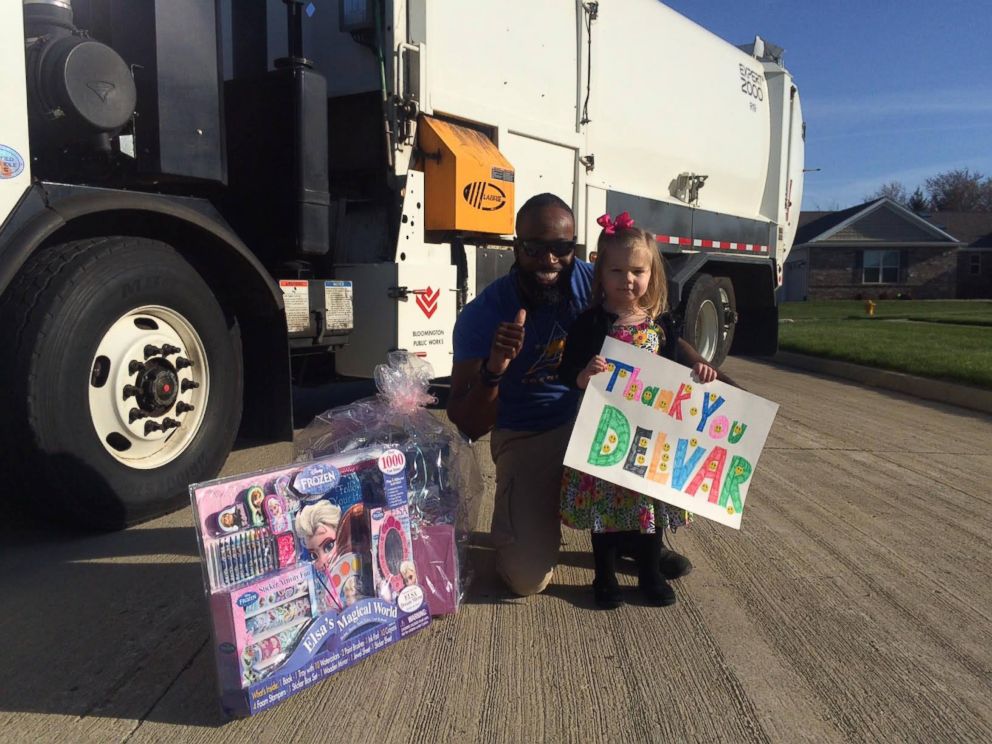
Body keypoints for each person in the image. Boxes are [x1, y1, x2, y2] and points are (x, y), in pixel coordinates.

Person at [557, 211, 736, 609]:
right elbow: (566, 370)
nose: (627, 280)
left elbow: (674, 375)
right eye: (617, 270)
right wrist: (583, 375)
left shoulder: (662, 327)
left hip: (650, 439)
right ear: (600, 275)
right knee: (604, 510)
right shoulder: (589, 325)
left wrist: (701, 373)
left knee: (648, 506)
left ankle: (650, 571)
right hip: (603, 434)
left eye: (637, 270)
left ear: (652, 274)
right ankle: (604, 577)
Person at [447, 193, 594, 596]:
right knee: (524, 578)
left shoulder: (591, 282)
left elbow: (652, 323)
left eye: (561, 248)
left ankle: (639, 540)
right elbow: (467, 422)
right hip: (528, 433)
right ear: (516, 248)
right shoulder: (485, 314)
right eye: (534, 248)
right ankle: (532, 520)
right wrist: (494, 369)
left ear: (573, 248)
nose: (549, 261)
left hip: (588, 421)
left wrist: (710, 372)